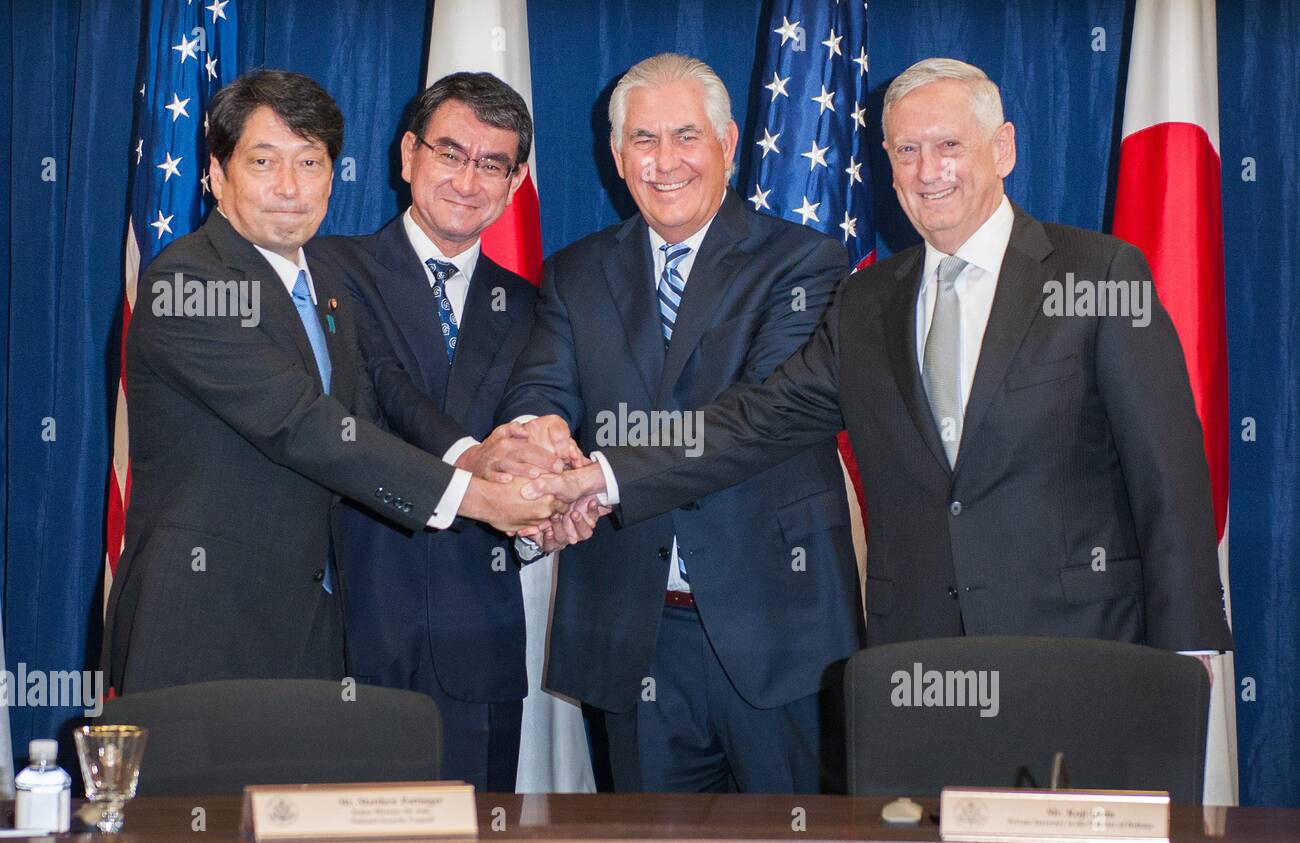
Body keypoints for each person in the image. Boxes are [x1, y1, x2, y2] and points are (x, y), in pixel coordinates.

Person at [533, 57, 1232, 657]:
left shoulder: (1098, 273)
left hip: (1080, 650)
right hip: (919, 666)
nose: (928, 172)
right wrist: (603, 474)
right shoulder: (866, 301)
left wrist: (1189, 644)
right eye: (904, 151)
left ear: (1004, 148)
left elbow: (1166, 472)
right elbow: (756, 420)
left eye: (948, 144)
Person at [104, 69, 563, 695]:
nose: (290, 187)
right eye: (264, 161)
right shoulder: (189, 282)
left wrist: (493, 461)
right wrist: (481, 498)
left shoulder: (327, 293)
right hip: (202, 625)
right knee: (194, 799)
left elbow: (386, 400)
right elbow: (303, 424)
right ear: (216, 173)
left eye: (311, 162)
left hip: (315, 630)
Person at [499, 53, 865, 795]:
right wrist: (534, 442)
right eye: (643, 139)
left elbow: (761, 417)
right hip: (634, 634)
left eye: (686, 136)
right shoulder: (575, 271)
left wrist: (599, 478)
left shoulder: (804, 262)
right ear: (616, 155)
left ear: (728, 142)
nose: (665, 162)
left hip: (778, 632)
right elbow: (542, 386)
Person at [309, 73, 579, 793]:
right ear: (407, 155)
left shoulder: (535, 308)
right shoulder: (329, 268)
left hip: (479, 649)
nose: (468, 179)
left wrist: (543, 517)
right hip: (349, 636)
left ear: (517, 179)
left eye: (493, 163)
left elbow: (537, 448)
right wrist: (473, 458)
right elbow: (371, 403)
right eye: (450, 153)